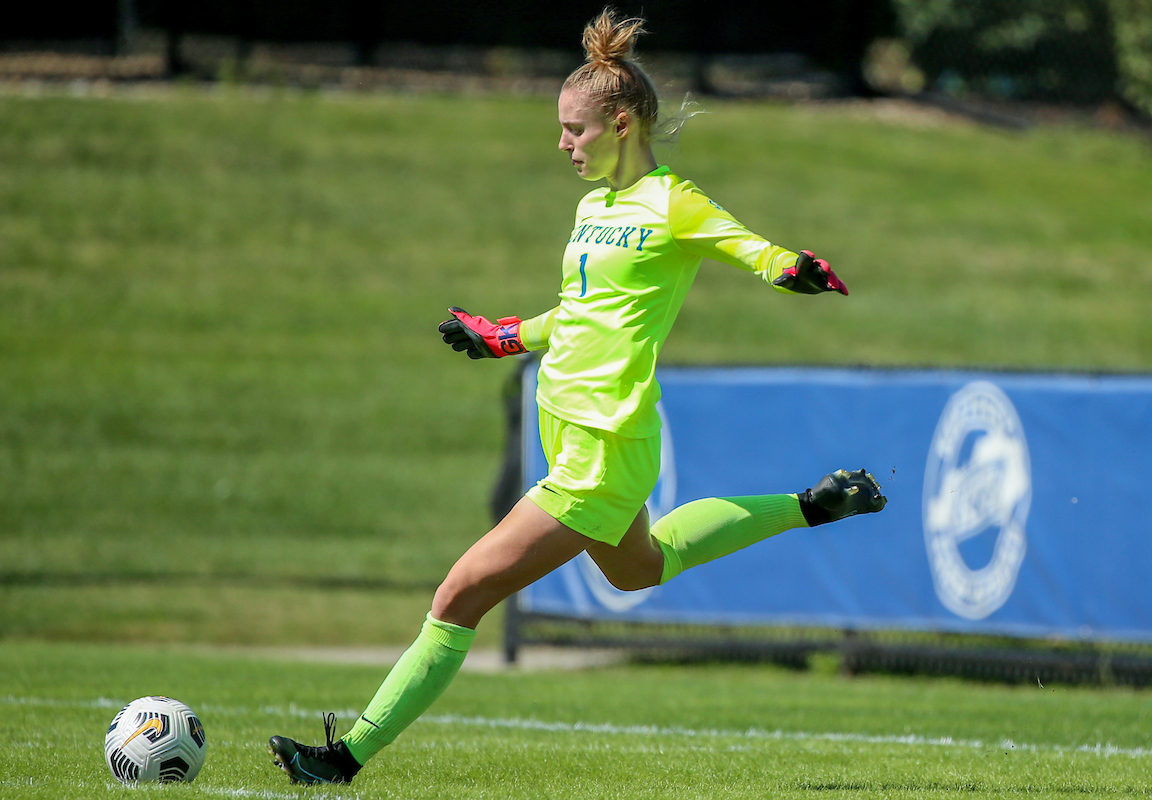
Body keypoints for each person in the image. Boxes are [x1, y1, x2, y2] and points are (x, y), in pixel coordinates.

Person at [268, 7, 886, 785]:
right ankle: (812, 506)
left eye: (574, 130)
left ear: (622, 124)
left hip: (602, 445)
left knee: (459, 592)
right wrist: (504, 336)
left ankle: (344, 758)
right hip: (568, 430)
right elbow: (579, 313)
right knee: (638, 569)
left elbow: (749, 248)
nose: (563, 144)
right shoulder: (592, 208)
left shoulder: (674, 202)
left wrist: (795, 269)